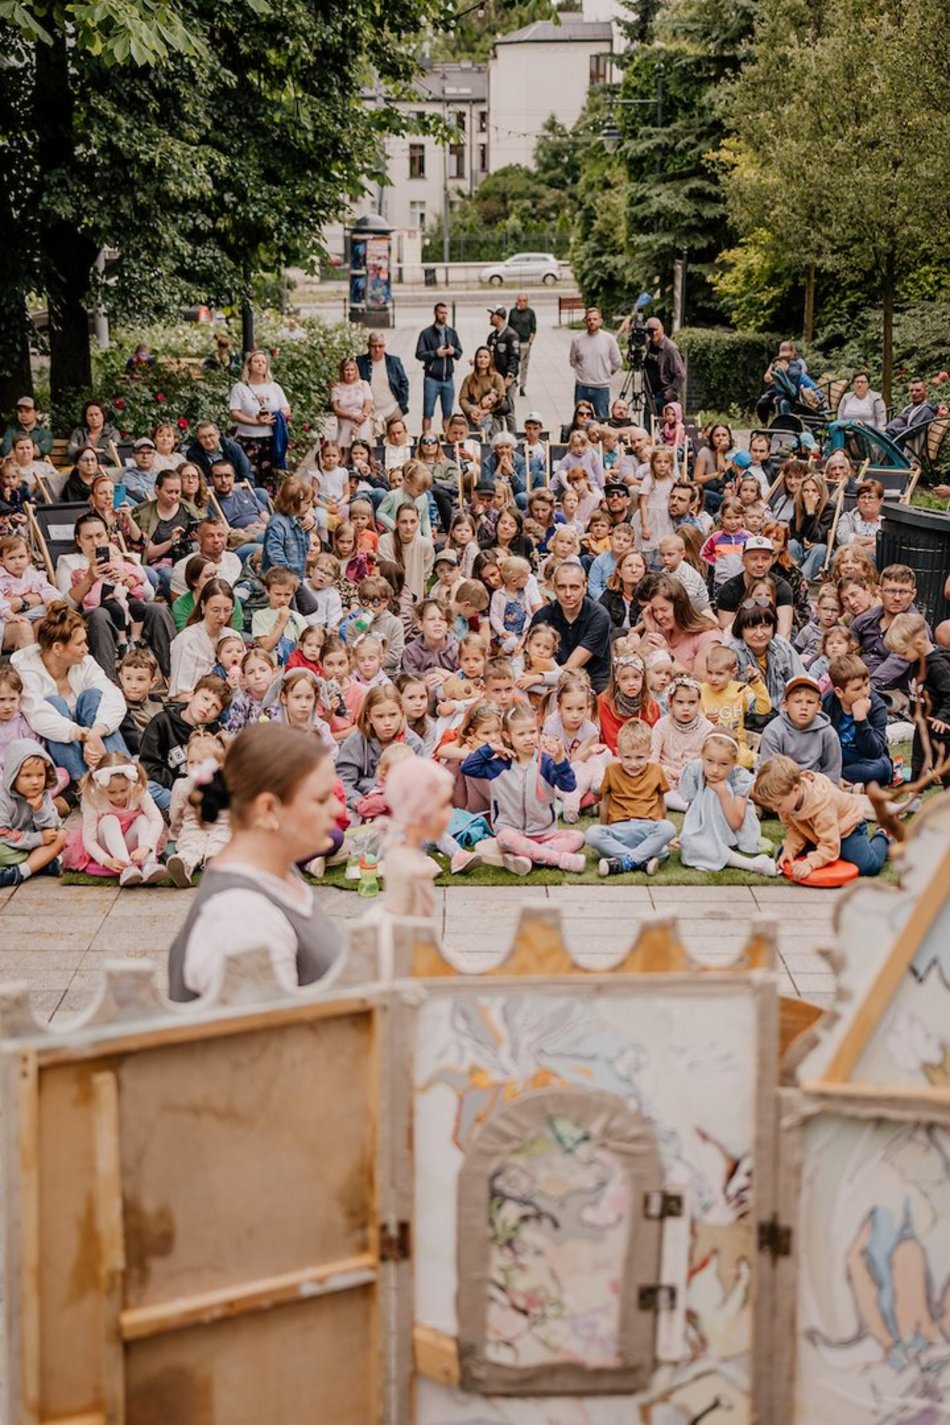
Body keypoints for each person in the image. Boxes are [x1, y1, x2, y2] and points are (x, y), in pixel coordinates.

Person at [167, 724, 344, 1000]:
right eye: (321, 799)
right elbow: (263, 1041)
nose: (338, 809)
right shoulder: (241, 916)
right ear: (268, 809)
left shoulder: (278, 867)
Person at [461, 703, 585, 874]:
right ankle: (558, 859)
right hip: (512, 833)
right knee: (504, 838)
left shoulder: (546, 762)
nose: (529, 738)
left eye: (532, 732)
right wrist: (490, 749)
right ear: (507, 736)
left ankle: (525, 857)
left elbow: (569, 786)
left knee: (578, 837)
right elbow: (468, 768)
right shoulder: (498, 765)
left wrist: (560, 760)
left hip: (545, 834)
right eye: (521, 734)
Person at [11, 605, 128, 784]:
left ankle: (122, 776)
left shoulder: (85, 663)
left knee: (93, 696)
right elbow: (38, 717)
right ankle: (83, 785)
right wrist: (81, 734)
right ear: (58, 648)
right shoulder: (26, 667)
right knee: (53, 704)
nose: (86, 649)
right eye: (80, 643)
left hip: (93, 742)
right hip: (60, 748)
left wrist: (95, 732)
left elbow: (114, 698)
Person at [54, 512, 176, 678]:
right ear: (78, 540)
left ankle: (174, 677)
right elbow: (66, 605)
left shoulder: (124, 557)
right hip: (97, 614)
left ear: (108, 536)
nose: (95, 542)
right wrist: (89, 579)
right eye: (88, 537)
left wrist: (129, 579)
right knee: (99, 614)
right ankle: (108, 682)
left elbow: (149, 595)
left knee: (158, 610)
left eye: (99, 535)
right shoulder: (69, 562)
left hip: (131, 612)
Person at [753, 754, 889, 879]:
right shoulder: (786, 801)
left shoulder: (822, 805)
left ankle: (883, 833)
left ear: (795, 789)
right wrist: (790, 850)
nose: (775, 809)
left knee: (869, 866)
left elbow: (830, 845)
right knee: (783, 853)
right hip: (816, 832)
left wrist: (810, 863)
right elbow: (794, 830)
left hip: (847, 829)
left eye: (778, 804)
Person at [585, 718, 675, 877]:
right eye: (627, 757)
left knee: (668, 828)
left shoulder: (656, 770)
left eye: (640, 757)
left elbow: (661, 802)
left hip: (647, 829)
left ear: (650, 754)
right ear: (618, 753)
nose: (633, 764)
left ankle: (623, 861)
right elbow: (605, 802)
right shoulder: (611, 770)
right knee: (592, 833)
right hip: (619, 830)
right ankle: (641, 860)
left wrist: (661, 835)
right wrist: (605, 829)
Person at [679, 733, 777, 876]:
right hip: (706, 827)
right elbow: (693, 807)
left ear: (734, 762)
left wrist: (723, 792)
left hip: (732, 831)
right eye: (710, 761)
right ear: (702, 755)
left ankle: (752, 864)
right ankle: (710, 853)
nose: (715, 769)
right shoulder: (695, 770)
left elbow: (736, 823)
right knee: (688, 842)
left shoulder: (739, 777)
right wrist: (687, 832)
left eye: (723, 764)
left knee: (715, 789)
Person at [64, 753, 166, 885]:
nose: (118, 796)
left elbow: (157, 819)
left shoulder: (137, 790)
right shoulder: (93, 797)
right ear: (100, 784)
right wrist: (106, 860)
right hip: (107, 844)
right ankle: (127, 869)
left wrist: (146, 847)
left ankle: (149, 864)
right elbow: (89, 839)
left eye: (123, 790)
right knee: (109, 820)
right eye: (111, 792)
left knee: (143, 819)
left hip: (132, 844)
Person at [883, 612, 950, 785]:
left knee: (943, 768)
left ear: (919, 644)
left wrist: (943, 717)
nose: (902, 657)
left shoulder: (938, 667)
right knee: (918, 763)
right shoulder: (915, 661)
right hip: (923, 726)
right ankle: (915, 800)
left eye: (904, 652)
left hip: (942, 729)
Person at [529, 559, 613, 692]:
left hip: (593, 680)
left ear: (585, 587)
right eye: (562, 587)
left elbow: (573, 665)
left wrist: (542, 679)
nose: (568, 594)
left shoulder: (599, 616)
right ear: (554, 586)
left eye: (574, 587)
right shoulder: (543, 616)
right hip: (548, 676)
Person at [850, 563, 926, 701]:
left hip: (892, 691)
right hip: (856, 681)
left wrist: (868, 686)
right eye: (890, 591)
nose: (897, 598)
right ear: (879, 591)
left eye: (903, 592)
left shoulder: (916, 625)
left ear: (913, 594)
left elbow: (897, 663)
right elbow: (847, 643)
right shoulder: (866, 619)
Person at [0, 739, 66, 886]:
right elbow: (3, 833)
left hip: (29, 842)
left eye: (40, 775)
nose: (35, 782)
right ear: (13, 775)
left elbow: (53, 826)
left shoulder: (43, 793)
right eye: (27, 776)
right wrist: (38, 839)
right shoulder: (2, 797)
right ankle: (39, 864)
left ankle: (21, 870)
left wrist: (40, 810)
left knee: (62, 835)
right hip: (8, 843)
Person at [822, 654, 892, 788]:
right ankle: (837, 779)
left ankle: (834, 779)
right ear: (839, 692)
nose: (865, 692)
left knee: (882, 768)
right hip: (836, 756)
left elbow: (875, 752)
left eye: (867, 684)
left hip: (864, 758)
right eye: (857, 689)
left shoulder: (877, 706)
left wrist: (861, 719)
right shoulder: (826, 704)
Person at [228, 349, 291, 493]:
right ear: (249, 365)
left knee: (271, 477)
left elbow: (286, 409)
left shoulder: (274, 387)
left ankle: (269, 507)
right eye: (256, 361)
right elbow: (235, 412)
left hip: (270, 439)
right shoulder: (240, 388)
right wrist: (255, 422)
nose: (260, 364)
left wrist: (273, 417)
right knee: (249, 475)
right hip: (247, 438)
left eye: (263, 362)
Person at [759, 673, 843, 780]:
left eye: (810, 702)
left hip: (816, 785)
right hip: (782, 784)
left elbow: (832, 770)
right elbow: (770, 771)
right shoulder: (773, 731)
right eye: (797, 702)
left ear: (819, 707)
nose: (804, 707)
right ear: (785, 705)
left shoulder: (828, 733)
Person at [640, 575, 723, 680]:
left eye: (664, 610)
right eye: (655, 610)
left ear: (680, 607)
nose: (659, 616)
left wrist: (668, 655)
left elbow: (701, 684)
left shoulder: (707, 637)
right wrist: (649, 631)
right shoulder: (661, 629)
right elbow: (637, 665)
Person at [715, 537, 795, 640]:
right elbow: (726, 633)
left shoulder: (781, 588)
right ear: (743, 560)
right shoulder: (730, 589)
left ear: (772, 560)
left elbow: (784, 634)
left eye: (765, 559)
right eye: (754, 558)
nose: (760, 564)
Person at [169, 579, 237, 698]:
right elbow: (179, 695)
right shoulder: (186, 640)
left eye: (227, 610)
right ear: (203, 606)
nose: (222, 616)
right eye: (215, 610)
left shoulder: (234, 637)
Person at [415, 301, 462, 434]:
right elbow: (419, 354)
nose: (444, 315)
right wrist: (436, 353)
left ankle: (448, 439)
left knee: (448, 413)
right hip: (432, 378)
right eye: (441, 313)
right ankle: (426, 437)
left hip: (448, 378)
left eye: (446, 313)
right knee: (428, 412)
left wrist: (453, 351)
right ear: (435, 313)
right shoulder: (426, 333)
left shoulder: (451, 332)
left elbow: (459, 352)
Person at [568, 308, 622, 422]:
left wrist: (607, 372)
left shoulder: (609, 339)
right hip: (582, 386)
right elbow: (573, 361)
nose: (592, 322)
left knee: (602, 420)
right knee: (580, 421)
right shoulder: (577, 339)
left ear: (600, 321)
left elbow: (617, 361)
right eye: (589, 319)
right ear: (585, 321)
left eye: (595, 319)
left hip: (601, 387)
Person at [356, 333, 409, 433]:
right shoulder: (360, 362)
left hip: (392, 410)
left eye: (380, 346)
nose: (377, 349)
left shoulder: (394, 362)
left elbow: (404, 383)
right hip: (370, 413)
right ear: (368, 346)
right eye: (374, 346)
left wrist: (402, 405)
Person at [787, 474, 833, 581]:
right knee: (792, 544)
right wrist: (802, 538)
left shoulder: (829, 507)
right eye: (806, 491)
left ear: (820, 493)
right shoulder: (798, 505)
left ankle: (801, 580)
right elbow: (793, 532)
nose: (809, 494)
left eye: (814, 490)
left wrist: (811, 512)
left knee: (820, 549)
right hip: (802, 547)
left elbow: (817, 537)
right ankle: (789, 576)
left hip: (820, 550)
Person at [185, 421, 254, 486]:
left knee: (261, 493)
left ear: (218, 434)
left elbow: (247, 476)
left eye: (211, 435)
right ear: (198, 439)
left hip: (236, 489)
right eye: (203, 437)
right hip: (210, 492)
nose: (208, 440)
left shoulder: (233, 448)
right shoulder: (193, 454)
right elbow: (199, 483)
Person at [459, 346, 508, 436]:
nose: (482, 360)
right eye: (480, 357)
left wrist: (486, 411)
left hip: (493, 416)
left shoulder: (497, 377)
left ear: (490, 360)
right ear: (476, 359)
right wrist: (472, 411)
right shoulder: (469, 379)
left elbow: (502, 400)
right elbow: (463, 399)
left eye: (486, 357)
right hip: (473, 415)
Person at [486, 306, 520, 432]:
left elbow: (514, 358)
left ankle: (513, 437)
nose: (490, 317)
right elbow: (489, 353)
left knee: (508, 410)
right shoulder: (492, 336)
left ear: (499, 317)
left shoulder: (511, 335)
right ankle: (497, 437)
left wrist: (509, 376)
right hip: (494, 380)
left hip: (506, 380)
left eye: (492, 315)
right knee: (496, 411)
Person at [642, 317, 685, 416]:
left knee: (662, 427)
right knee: (647, 427)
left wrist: (670, 394)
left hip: (663, 395)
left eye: (656, 330)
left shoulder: (670, 348)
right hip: (650, 394)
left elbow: (680, 374)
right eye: (650, 331)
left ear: (662, 329)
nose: (653, 334)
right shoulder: (649, 345)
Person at [329, 357, 373, 451]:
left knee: (362, 449)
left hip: (362, 422)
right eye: (347, 370)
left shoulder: (363, 384)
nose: (350, 373)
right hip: (345, 423)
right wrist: (352, 416)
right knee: (344, 450)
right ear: (342, 371)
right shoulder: (337, 388)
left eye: (352, 370)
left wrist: (362, 416)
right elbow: (336, 409)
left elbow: (368, 403)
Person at [835, 480, 885, 560]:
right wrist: (874, 540)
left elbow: (886, 545)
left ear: (881, 501)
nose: (866, 501)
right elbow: (843, 539)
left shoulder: (887, 522)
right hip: (847, 560)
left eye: (871, 497)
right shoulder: (848, 517)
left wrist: (855, 541)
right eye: (863, 497)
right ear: (857, 501)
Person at [67, 400, 121, 465]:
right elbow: (71, 451)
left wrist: (84, 454)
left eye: (97, 414)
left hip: (106, 470)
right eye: (90, 415)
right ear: (86, 418)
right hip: (81, 470)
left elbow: (112, 455)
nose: (94, 418)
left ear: (103, 416)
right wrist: (94, 450)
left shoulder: (113, 433)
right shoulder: (78, 432)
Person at [884, 377, 937, 442]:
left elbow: (912, 430)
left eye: (918, 390)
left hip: (903, 445)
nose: (914, 393)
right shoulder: (911, 407)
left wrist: (891, 430)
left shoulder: (926, 410)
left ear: (926, 391)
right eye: (911, 390)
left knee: (879, 439)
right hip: (893, 437)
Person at [509, 293, 537, 397]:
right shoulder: (513, 312)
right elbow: (509, 327)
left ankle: (522, 385)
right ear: (517, 301)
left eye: (524, 301)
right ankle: (513, 383)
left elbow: (533, 329)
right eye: (520, 300)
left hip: (525, 343)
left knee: (524, 366)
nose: (522, 303)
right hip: (515, 343)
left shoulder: (530, 312)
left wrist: (530, 342)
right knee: (515, 364)